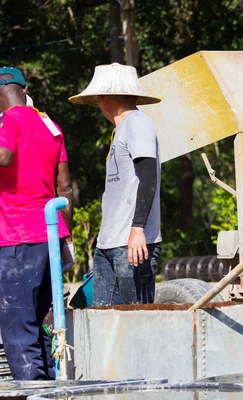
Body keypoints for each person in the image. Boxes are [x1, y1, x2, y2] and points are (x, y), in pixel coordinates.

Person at [0, 67, 74, 379]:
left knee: (17, 327)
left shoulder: (3, 120)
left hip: (20, 237)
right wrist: (64, 235)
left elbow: (2, 155)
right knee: (42, 321)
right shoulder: (50, 124)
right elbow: (65, 186)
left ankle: (31, 392)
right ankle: (48, 389)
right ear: (25, 88)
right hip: (51, 236)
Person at [69, 63, 162, 306]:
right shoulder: (119, 131)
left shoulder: (138, 123)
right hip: (108, 243)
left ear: (103, 97)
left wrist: (138, 228)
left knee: (136, 321)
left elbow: (148, 175)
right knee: (107, 322)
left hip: (131, 243)